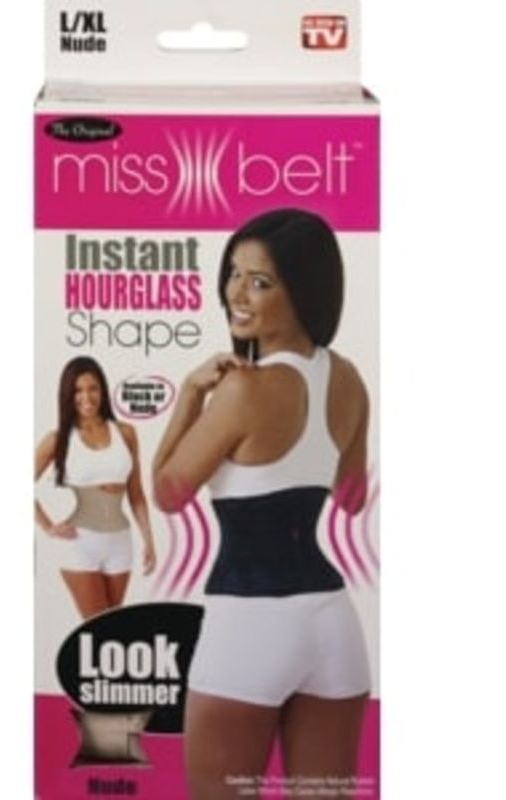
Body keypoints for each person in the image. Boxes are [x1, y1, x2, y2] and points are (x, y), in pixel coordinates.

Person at [153, 209, 371, 799]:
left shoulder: (241, 389)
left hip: (250, 624)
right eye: (233, 274)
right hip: (333, 625)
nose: (236, 294)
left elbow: (168, 493)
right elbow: (351, 500)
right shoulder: (348, 379)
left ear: (304, 290)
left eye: (260, 282)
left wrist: (190, 394)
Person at [35, 356, 156, 620]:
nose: (86, 397)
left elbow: (136, 494)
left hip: (120, 543)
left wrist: (149, 539)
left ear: (102, 390)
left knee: (111, 629)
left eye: (93, 388)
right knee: (98, 628)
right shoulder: (58, 439)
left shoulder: (126, 433)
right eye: (78, 390)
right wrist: (47, 526)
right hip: (79, 544)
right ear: (68, 395)